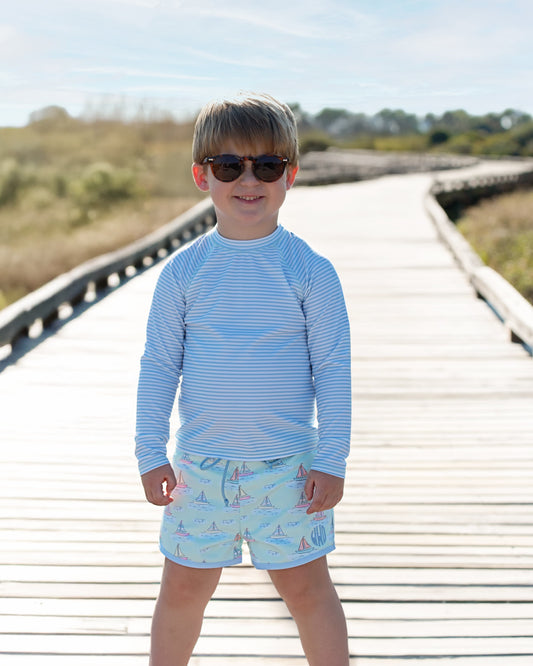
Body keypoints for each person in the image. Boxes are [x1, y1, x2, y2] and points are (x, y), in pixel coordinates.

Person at [135, 92, 351, 665]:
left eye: (267, 165)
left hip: (291, 470)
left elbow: (332, 368)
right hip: (199, 470)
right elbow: (159, 365)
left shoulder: (311, 271)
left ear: (291, 176)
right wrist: (149, 451)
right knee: (182, 591)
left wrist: (333, 457)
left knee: (307, 591)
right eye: (230, 166)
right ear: (202, 176)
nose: (248, 180)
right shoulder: (183, 272)